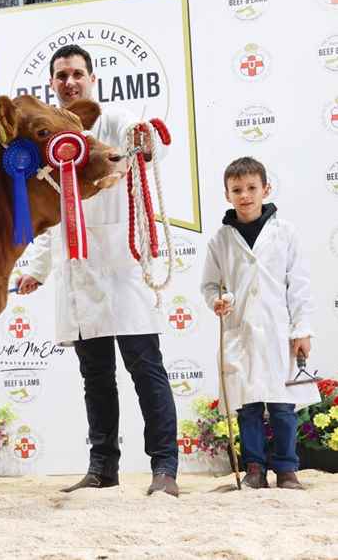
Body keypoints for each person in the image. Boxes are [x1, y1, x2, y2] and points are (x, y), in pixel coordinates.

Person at [16, 44, 179, 496]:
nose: (70, 82)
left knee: (146, 369)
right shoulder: (50, 139)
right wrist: (39, 269)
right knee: (96, 378)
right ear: (51, 83)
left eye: (77, 74)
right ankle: (102, 467)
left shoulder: (114, 121)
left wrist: (147, 143)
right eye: (61, 76)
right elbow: (53, 214)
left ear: (92, 79)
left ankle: (164, 468)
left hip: (121, 266)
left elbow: (150, 143)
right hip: (79, 275)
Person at [201, 156, 318, 489]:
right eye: (236, 189)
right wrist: (216, 301)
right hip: (241, 333)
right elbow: (210, 284)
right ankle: (254, 468)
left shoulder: (285, 233)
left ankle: (286, 469)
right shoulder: (220, 240)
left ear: (266, 188)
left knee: (282, 405)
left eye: (252, 188)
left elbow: (299, 285)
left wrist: (302, 330)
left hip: (279, 330)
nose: (245, 195)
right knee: (247, 405)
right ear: (227, 194)